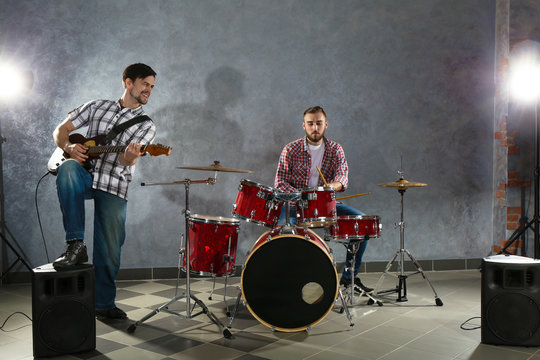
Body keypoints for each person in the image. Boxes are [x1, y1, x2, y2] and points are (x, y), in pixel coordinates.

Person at [51, 63, 157, 319]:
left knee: (110, 249)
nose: (149, 91)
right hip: (84, 176)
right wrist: (69, 145)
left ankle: (103, 304)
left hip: (114, 184)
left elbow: (127, 162)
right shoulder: (96, 106)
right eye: (145, 84)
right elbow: (61, 130)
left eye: (152, 87)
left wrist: (130, 157)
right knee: (67, 169)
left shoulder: (147, 125)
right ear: (128, 82)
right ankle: (75, 244)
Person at [274, 105, 373, 294]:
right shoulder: (291, 149)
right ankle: (287, 281)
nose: (315, 128)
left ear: (326, 124)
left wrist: (331, 187)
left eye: (319, 123)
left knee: (362, 224)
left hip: (326, 204)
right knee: (285, 235)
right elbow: (280, 182)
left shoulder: (336, 149)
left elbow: (342, 178)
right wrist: (301, 196)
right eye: (310, 123)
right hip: (296, 204)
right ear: (303, 125)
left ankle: (349, 277)